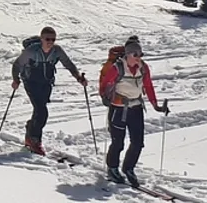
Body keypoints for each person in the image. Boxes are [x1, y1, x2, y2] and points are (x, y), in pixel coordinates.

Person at [99, 38, 168, 186]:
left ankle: (128, 168)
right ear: (128, 54)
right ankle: (112, 169)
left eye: (140, 54)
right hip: (118, 108)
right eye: (135, 54)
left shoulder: (143, 68)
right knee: (118, 142)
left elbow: (148, 86)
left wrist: (156, 106)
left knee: (138, 142)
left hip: (136, 108)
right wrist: (105, 96)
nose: (139, 57)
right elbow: (105, 85)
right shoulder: (117, 68)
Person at [11, 25, 88, 155]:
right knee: (42, 111)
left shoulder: (57, 51)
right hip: (31, 82)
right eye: (47, 39)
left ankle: (30, 131)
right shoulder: (32, 51)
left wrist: (79, 78)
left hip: (46, 83)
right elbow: (17, 65)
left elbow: (68, 64)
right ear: (41, 39)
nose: (50, 42)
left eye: (53, 39)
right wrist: (16, 79)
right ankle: (35, 141)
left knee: (39, 110)